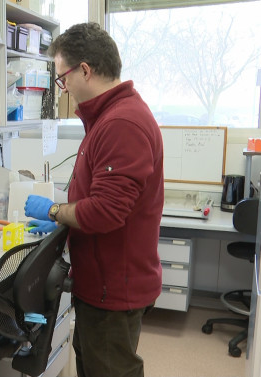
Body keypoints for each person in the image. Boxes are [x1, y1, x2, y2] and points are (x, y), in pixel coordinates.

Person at [23, 22, 164, 377]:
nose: (63, 87)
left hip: (112, 288)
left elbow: (105, 211)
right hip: (102, 284)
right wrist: (63, 220)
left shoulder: (121, 123)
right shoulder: (108, 117)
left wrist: (55, 210)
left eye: (62, 78)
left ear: (85, 70)